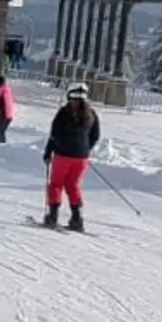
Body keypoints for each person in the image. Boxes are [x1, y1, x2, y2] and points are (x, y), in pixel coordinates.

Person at [42, 84, 101, 232]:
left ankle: (53, 216)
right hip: (81, 158)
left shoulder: (64, 112)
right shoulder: (92, 114)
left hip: (63, 155)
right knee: (73, 185)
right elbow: (95, 136)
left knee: (56, 184)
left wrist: (48, 152)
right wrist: (85, 149)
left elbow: (54, 135)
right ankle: (77, 218)